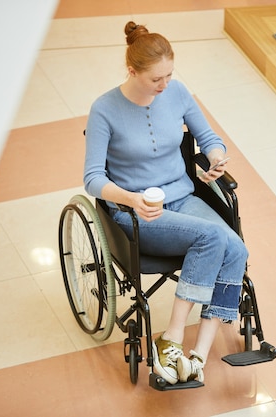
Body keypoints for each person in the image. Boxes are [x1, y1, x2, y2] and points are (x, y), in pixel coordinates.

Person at [83, 21, 248, 385]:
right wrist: (131, 200)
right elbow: (93, 179)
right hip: (137, 214)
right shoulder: (104, 110)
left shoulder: (177, 92)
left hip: (182, 197)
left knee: (236, 246)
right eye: (156, 79)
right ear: (132, 71)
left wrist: (216, 159)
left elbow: (208, 137)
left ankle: (198, 356)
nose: (165, 85)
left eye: (170, 75)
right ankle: (171, 337)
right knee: (213, 238)